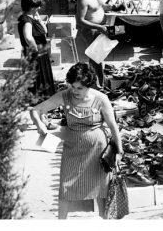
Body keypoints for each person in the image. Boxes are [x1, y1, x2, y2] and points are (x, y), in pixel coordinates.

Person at [29, 62, 123, 219]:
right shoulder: (64, 95)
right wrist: (40, 125)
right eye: (72, 86)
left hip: (97, 151)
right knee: (66, 188)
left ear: (88, 86)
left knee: (101, 189)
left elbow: (113, 126)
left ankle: (103, 222)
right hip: (72, 148)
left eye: (80, 88)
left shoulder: (101, 99)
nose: (74, 91)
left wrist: (119, 150)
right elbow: (35, 110)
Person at [76, 0, 115, 88]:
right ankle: (98, 84)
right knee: (95, 59)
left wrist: (116, 6)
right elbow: (80, 21)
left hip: (99, 29)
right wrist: (98, 27)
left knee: (99, 57)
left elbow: (103, 6)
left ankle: (97, 81)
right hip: (90, 31)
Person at [18, 0, 55, 97]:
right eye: (37, 6)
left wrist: (38, 18)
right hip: (36, 54)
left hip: (41, 53)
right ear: (31, 7)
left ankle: (44, 97)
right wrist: (36, 50)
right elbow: (28, 37)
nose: (39, 8)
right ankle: (38, 100)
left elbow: (45, 30)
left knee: (43, 77)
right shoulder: (27, 21)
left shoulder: (33, 17)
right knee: (38, 79)